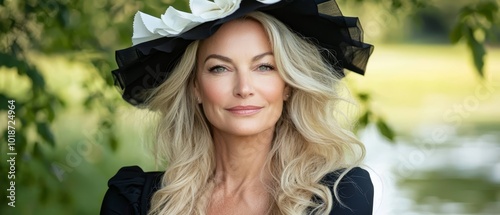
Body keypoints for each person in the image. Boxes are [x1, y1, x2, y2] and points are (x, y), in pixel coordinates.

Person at [101, 0, 374, 214]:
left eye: (264, 67)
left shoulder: (340, 196)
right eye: (220, 68)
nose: (244, 88)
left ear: (288, 84)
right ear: (195, 87)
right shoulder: (134, 202)